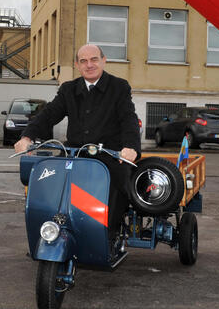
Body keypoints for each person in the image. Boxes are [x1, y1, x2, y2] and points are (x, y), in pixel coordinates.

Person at [14, 44, 141, 256]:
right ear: (77, 65)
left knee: (119, 185)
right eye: (83, 61)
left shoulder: (118, 87)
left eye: (94, 59)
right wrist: (27, 136)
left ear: (103, 60)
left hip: (109, 155)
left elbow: (128, 118)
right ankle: (48, 233)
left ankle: (108, 237)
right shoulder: (69, 89)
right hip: (75, 154)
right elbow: (48, 114)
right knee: (50, 185)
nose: (89, 65)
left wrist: (130, 147)